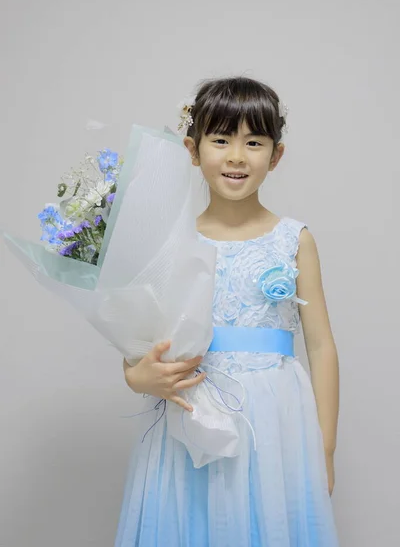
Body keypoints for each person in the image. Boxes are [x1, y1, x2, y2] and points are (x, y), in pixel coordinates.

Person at [115, 76, 340, 546]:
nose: (237, 156)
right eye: (221, 140)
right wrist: (141, 379)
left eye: (254, 142)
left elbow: (321, 348)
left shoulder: (294, 240)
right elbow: (139, 352)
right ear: (193, 150)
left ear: (275, 156)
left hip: (275, 423)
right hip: (191, 416)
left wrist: (324, 448)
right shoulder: (170, 244)